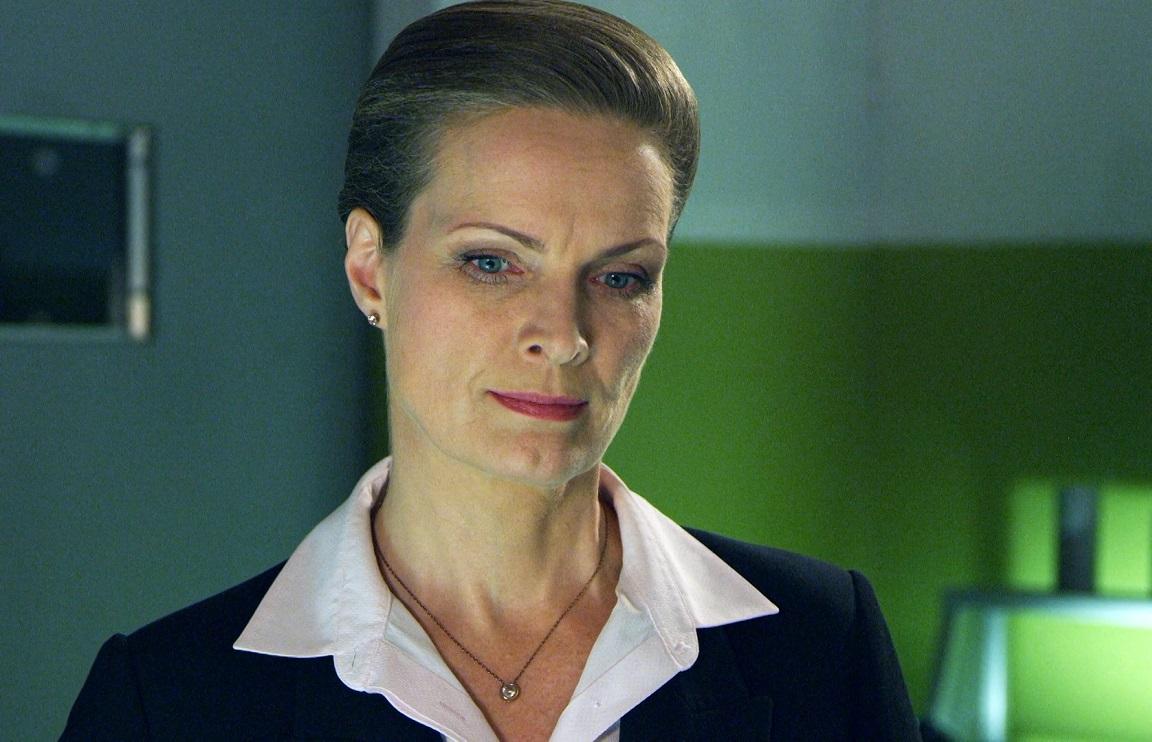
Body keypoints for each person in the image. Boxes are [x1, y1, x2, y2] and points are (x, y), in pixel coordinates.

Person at [63, 1, 920, 739]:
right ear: (370, 269)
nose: (564, 336)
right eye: (491, 262)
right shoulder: (165, 702)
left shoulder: (821, 645)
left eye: (620, 277)